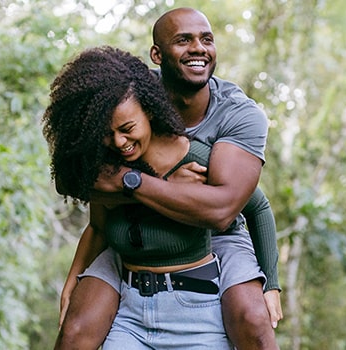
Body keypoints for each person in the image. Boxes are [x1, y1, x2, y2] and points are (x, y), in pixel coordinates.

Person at [56, 7, 281, 349]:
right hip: (134, 229)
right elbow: (81, 184)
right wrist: (152, 184)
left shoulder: (237, 113)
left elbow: (238, 207)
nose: (198, 48)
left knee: (253, 319)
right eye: (183, 40)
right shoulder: (126, 97)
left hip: (218, 228)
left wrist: (271, 284)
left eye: (206, 39)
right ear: (157, 54)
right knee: (74, 331)